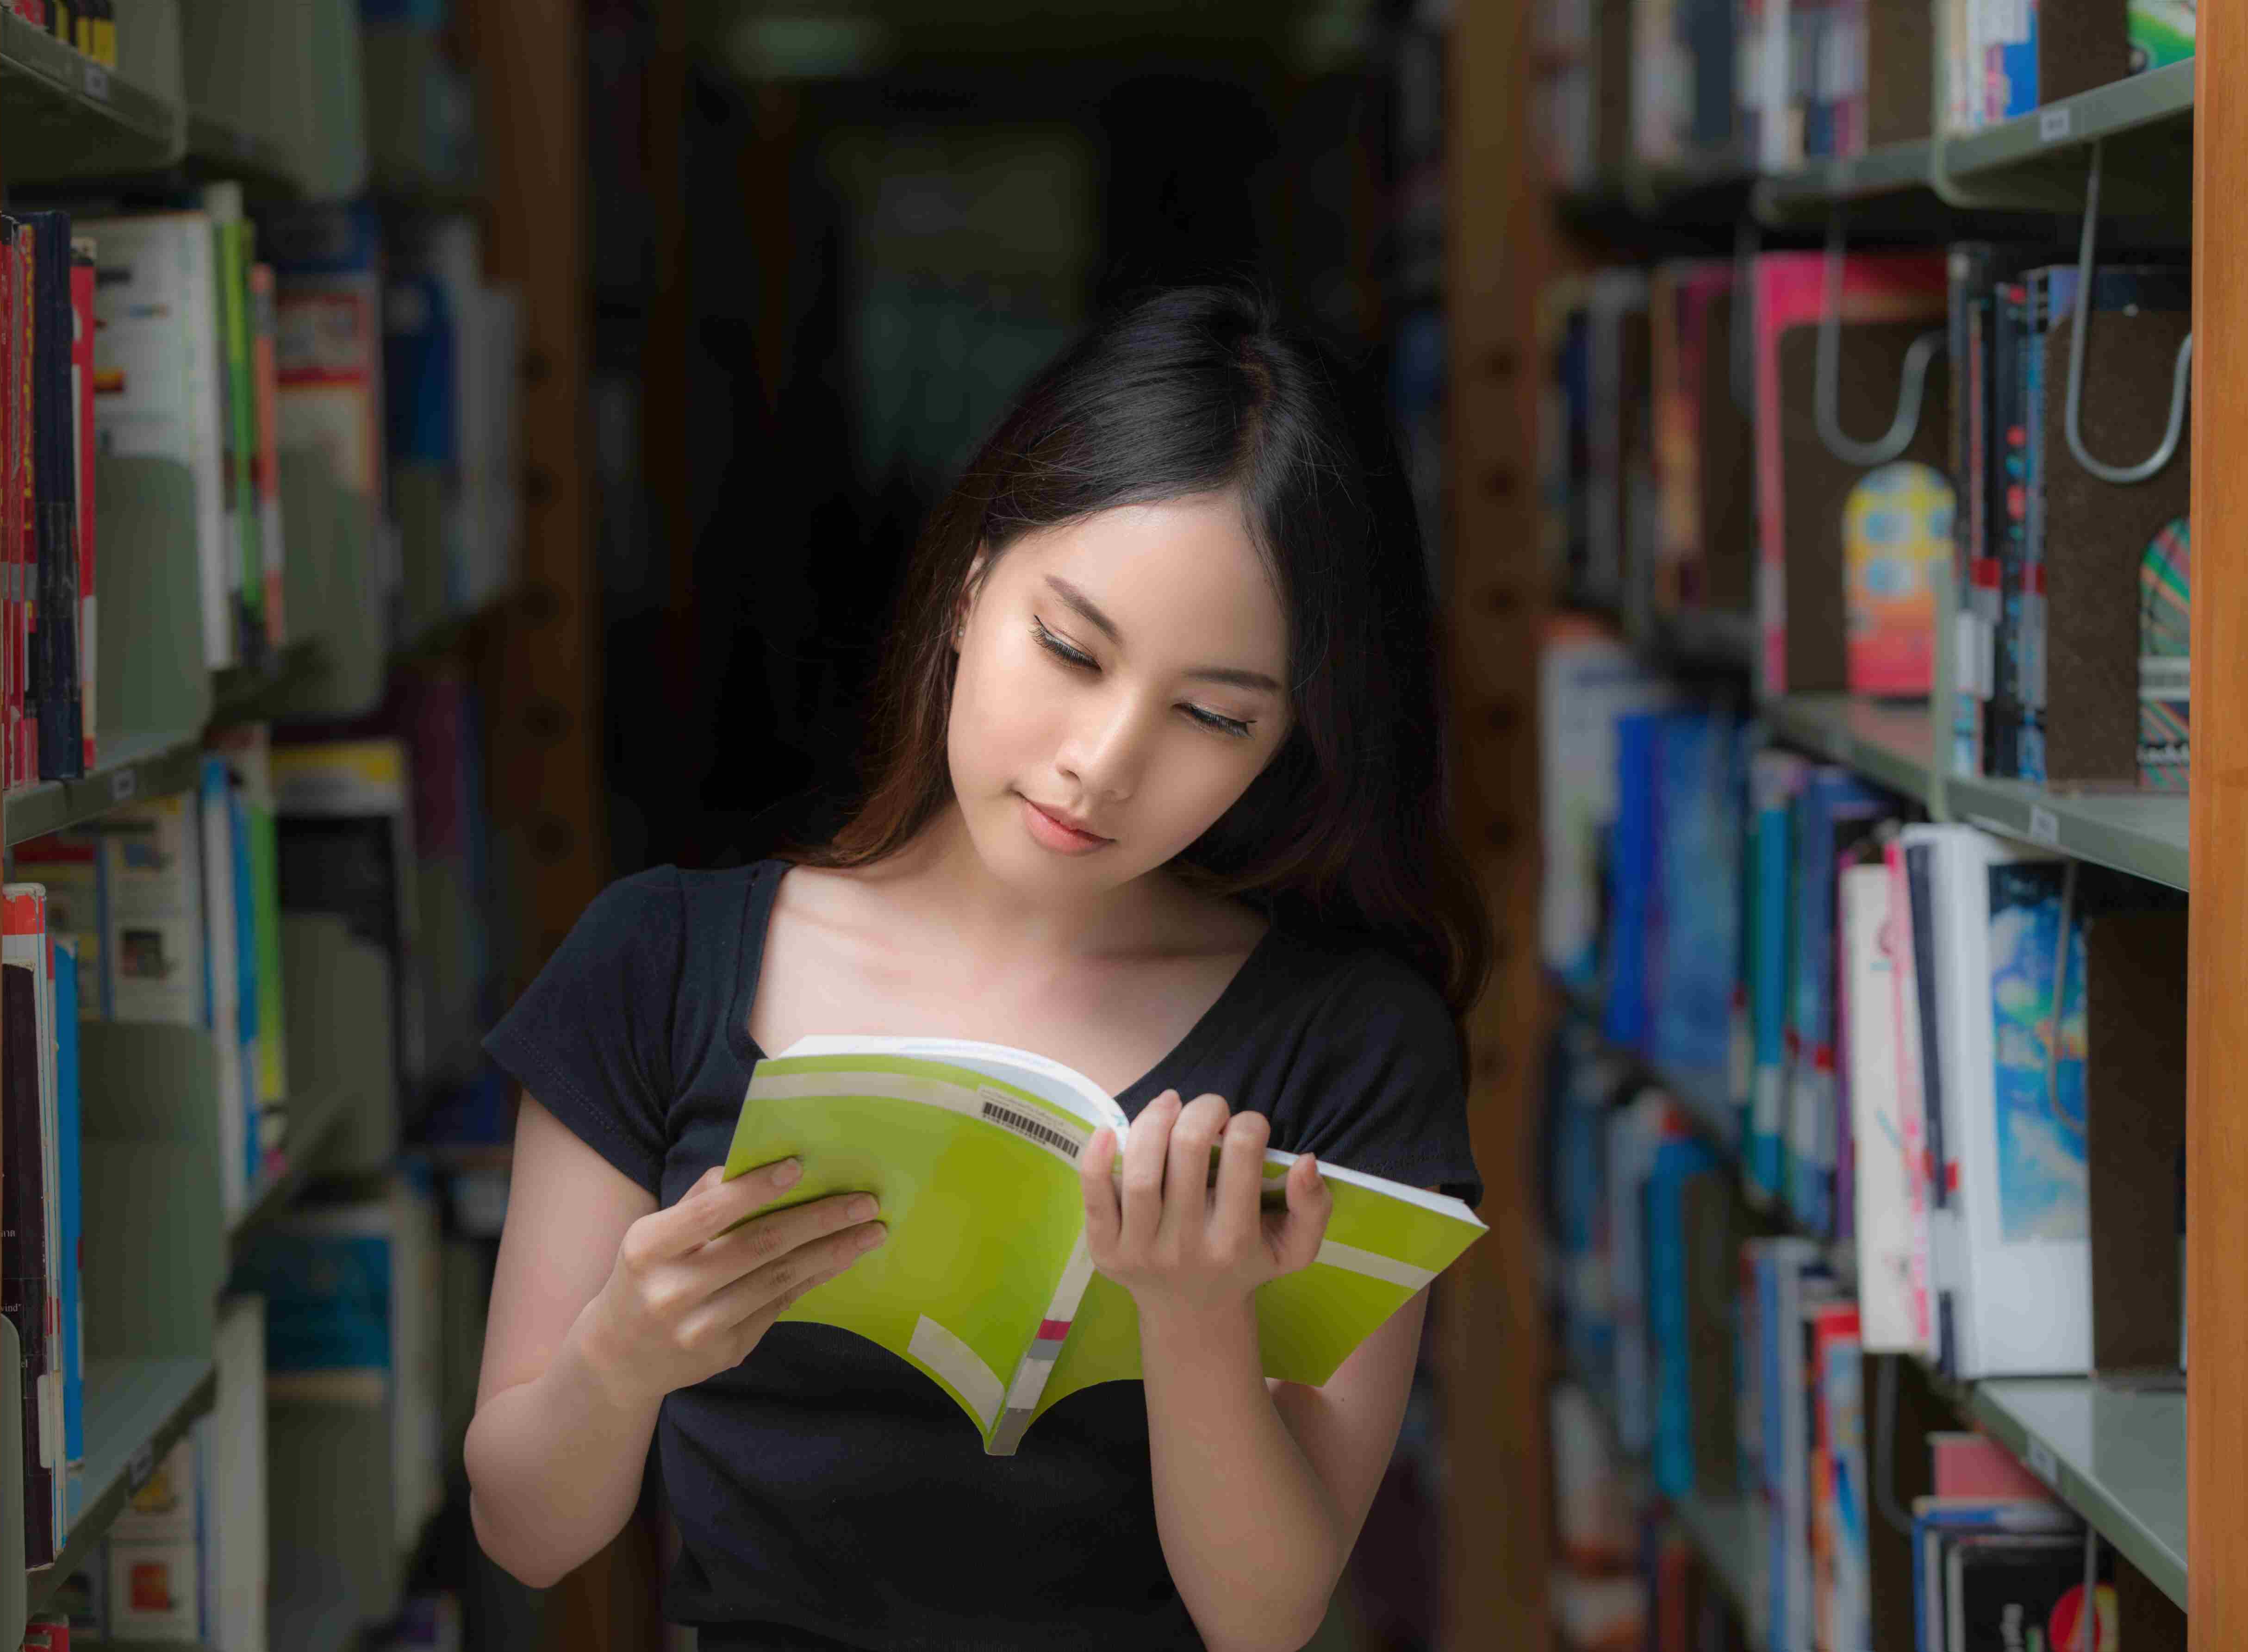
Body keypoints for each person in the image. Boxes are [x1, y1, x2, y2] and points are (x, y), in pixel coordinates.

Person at [463, 284, 1490, 1652]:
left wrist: (1193, 1323)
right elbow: (525, 1530)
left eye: (1211, 715)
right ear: (965, 593)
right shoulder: (658, 960)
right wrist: (621, 1356)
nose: (1103, 760)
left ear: (1285, 741)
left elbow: (1263, 1618)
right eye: (1068, 649)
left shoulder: (1348, 1040)